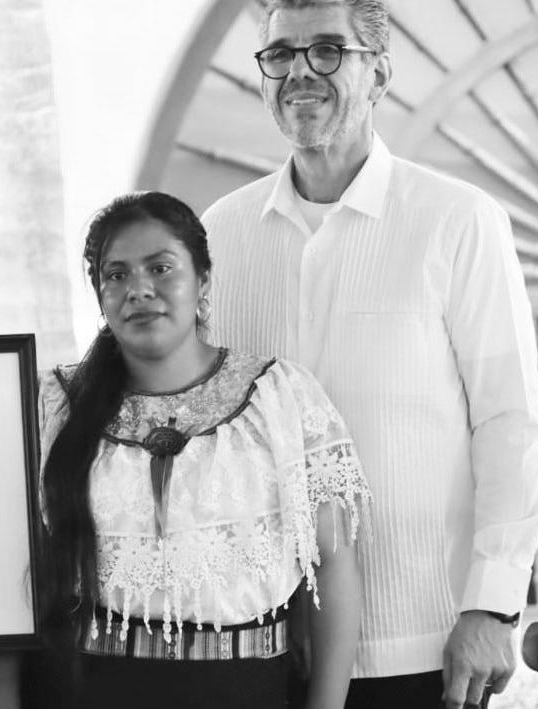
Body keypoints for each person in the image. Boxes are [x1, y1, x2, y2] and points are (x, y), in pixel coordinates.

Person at [201, 1, 538, 708]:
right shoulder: (219, 233)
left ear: (380, 75)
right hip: (261, 643)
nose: (300, 72)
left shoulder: (459, 220)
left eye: (328, 50)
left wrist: (492, 605)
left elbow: (509, 424)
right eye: (280, 54)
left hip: (425, 641)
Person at [35, 191, 370, 708]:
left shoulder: (280, 398)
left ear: (203, 279)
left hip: (246, 691)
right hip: (87, 690)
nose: (138, 289)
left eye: (160, 268)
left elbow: (333, 563)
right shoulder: (54, 405)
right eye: (116, 274)